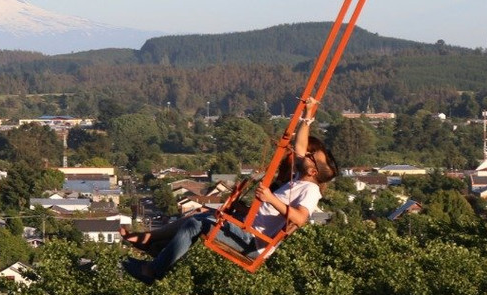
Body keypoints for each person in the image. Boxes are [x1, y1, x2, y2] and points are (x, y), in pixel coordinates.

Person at [120, 97, 337, 284]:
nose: (305, 155)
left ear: (313, 171)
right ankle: (153, 243)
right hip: (248, 229)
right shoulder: (300, 178)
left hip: (253, 242)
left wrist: (270, 198)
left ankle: (153, 270)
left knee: (198, 223)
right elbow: (300, 146)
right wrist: (307, 116)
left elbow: (299, 218)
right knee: (202, 215)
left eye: (310, 158)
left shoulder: (311, 191)